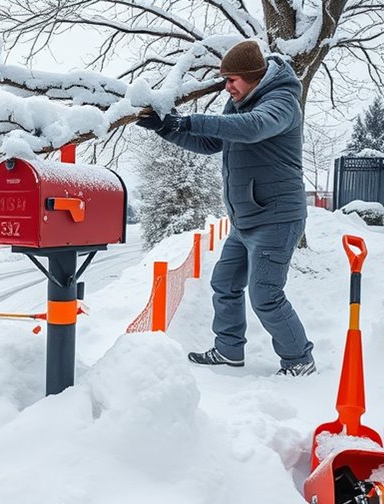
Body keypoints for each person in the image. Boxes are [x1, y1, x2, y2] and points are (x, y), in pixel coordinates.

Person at [135, 40, 315, 376]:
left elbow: (252, 128)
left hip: (277, 217)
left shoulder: (281, 102)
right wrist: (166, 128)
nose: (226, 86)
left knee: (265, 295)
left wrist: (186, 121)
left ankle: (299, 358)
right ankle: (229, 350)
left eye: (232, 79)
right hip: (246, 219)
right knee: (225, 283)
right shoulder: (238, 104)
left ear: (252, 76)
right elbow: (210, 142)